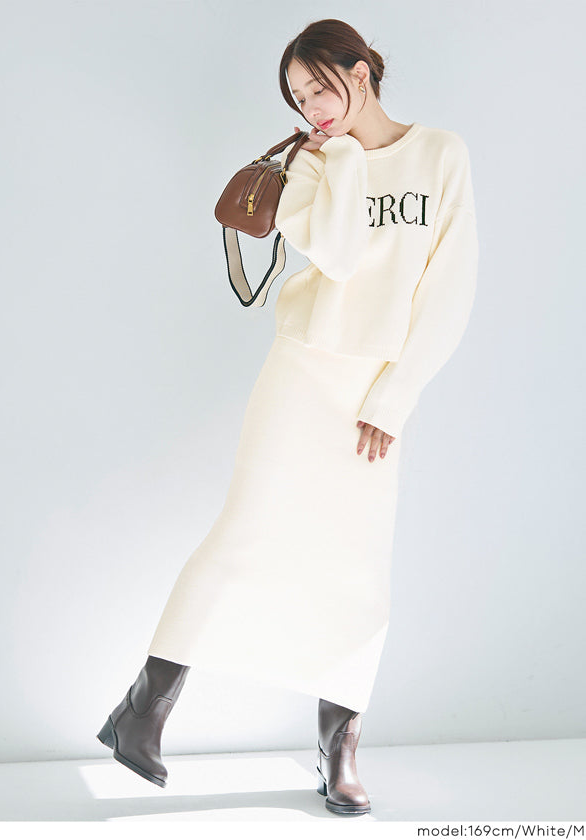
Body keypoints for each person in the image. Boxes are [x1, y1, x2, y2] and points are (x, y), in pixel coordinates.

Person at [97, 17, 479, 817]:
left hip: (377, 392)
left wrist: (396, 395)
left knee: (358, 569)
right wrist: (339, 156)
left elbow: (450, 287)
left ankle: (338, 750)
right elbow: (337, 255)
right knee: (242, 535)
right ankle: (143, 711)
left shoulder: (441, 154)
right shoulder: (312, 163)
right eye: (299, 98)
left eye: (318, 88)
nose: (311, 107)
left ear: (360, 72)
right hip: (302, 370)